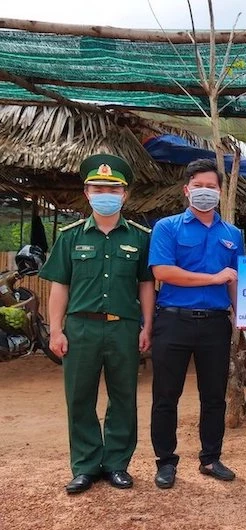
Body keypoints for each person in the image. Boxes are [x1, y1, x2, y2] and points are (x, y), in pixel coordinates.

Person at [40, 154, 155, 494]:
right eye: (98, 188)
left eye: (113, 188)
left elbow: (146, 285)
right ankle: (86, 466)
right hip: (81, 328)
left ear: (125, 195)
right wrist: (56, 329)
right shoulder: (70, 236)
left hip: (123, 327)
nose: (106, 193)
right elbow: (59, 286)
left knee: (123, 397)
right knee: (79, 398)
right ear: (87, 193)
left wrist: (147, 326)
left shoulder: (139, 237)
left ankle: (117, 463)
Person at [148, 158, 245, 489]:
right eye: (199, 186)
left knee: (214, 396)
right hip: (173, 321)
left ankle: (211, 458)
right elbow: (163, 272)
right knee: (166, 395)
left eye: (212, 187)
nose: (206, 192)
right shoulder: (167, 227)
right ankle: (165, 461)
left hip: (216, 325)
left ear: (220, 192)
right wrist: (213, 278)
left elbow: (235, 280)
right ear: (187, 189)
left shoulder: (232, 234)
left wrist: (243, 312)